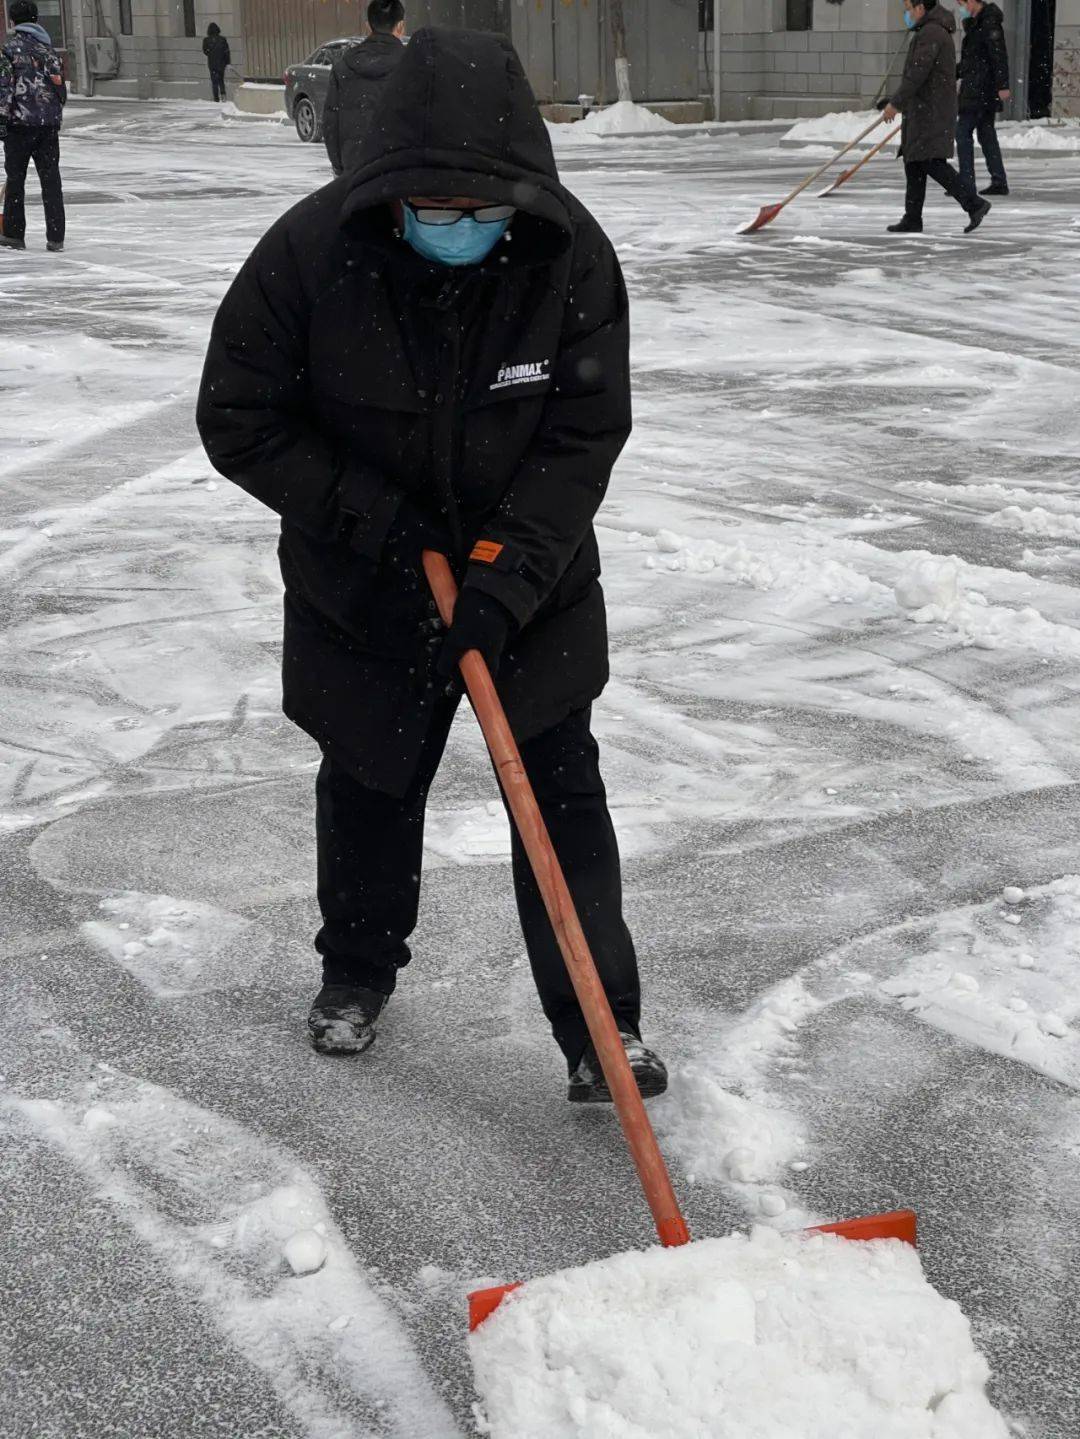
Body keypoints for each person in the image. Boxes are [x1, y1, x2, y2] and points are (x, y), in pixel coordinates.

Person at [196, 27, 668, 1104]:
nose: (463, 230)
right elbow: (239, 416)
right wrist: (378, 521)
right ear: (390, 192)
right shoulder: (310, 257)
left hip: (531, 587)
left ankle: (603, 1025)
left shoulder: (565, 252)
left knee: (558, 792)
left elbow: (582, 433)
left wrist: (503, 574)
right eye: (438, 213)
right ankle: (356, 972)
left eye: (485, 212)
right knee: (368, 779)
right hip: (361, 584)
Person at [880, 0, 990, 234]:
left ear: (921, 8)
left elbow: (917, 74)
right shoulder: (929, 30)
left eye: (909, 8)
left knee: (930, 161)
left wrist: (896, 103)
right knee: (914, 162)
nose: (907, 13)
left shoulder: (931, 33)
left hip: (930, 110)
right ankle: (912, 218)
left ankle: (975, 203)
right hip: (926, 108)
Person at [0, 0, 65, 252]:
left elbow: (3, 89)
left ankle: (15, 234)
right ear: (36, 19)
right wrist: (52, 114)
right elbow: (60, 89)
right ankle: (56, 236)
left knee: (16, 179)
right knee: (51, 180)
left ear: (13, 22)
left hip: (19, 126)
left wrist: (2, 120)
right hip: (47, 126)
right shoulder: (48, 51)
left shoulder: (8, 50)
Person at [323, 0, 406, 177]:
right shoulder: (413, 65)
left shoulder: (343, 66)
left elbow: (331, 124)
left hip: (354, 171)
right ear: (401, 26)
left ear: (368, 26)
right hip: (400, 172)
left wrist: (340, 169)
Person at [956, 0, 1011, 197]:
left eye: (961, 3)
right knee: (986, 134)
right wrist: (951, 73)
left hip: (980, 89)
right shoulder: (978, 24)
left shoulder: (988, 23)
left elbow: (998, 55)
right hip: (979, 87)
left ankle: (966, 181)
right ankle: (998, 179)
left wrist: (1003, 84)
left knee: (963, 132)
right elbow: (971, 61)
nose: (960, 7)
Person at [202, 23, 231, 105]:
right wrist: (228, 62)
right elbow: (227, 52)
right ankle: (223, 95)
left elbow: (205, 51)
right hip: (221, 63)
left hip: (212, 63)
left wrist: (211, 54)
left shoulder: (206, 40)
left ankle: (216, 98)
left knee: (214, 81)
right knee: (221, 80)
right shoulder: (222, 39)